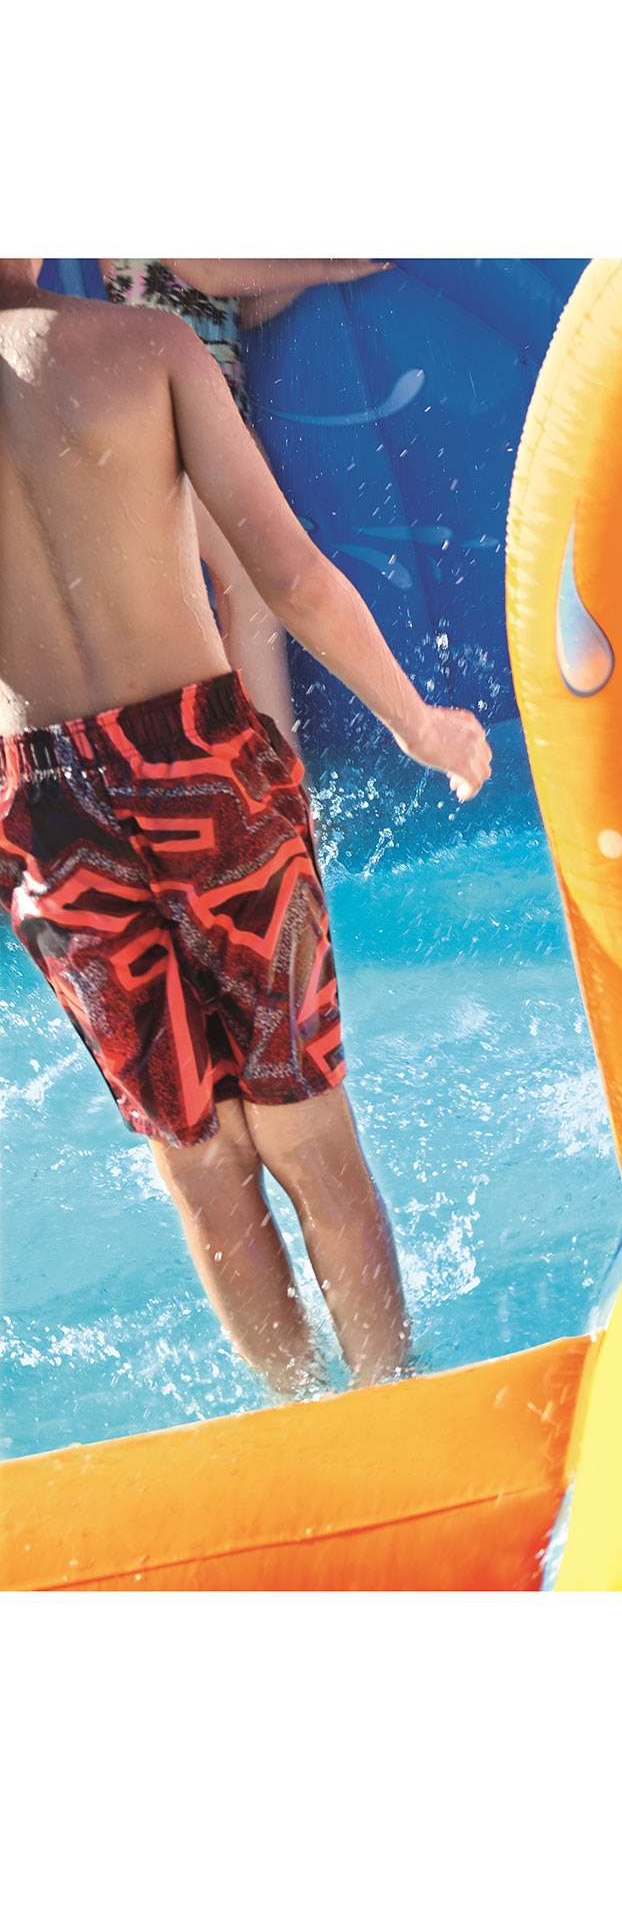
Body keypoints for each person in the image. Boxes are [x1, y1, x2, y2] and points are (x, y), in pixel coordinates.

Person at [0, 255, 490, 1397]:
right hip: (200, 768)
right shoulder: (146, 350)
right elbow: (292, 579)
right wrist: (416, 725)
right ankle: (390, 1410)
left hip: (43, 812)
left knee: (199, 1159)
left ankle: (290, 1425)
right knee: (308, 1135)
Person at [96, 260, 393, 760]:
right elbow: (213, 274)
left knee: (243, 598)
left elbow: (237, 305)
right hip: (165, 416)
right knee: (251, 594)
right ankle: (276, 774)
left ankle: (266, 768)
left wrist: (314, 271)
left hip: (205, 415)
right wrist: (331, 262)